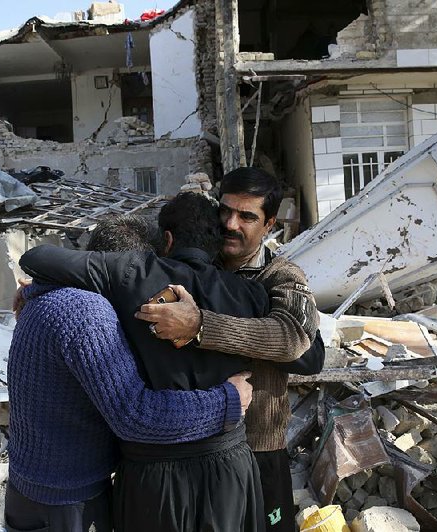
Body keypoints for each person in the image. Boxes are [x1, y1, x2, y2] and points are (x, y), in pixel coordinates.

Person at [19, 193, 273, 532]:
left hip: (152, 476)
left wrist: (37, 288)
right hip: (231, 467)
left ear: (166, 240)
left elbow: (36, 257)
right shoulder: (252, 294)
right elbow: (308, 354)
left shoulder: (131, 277)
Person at [135, 167, 321, 532]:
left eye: (247, 217)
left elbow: (293, 336)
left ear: (269, 225)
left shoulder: (281, 276)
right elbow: (127, 258)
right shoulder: (194, 263)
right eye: (225, 211)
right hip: (194, 444)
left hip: (259, 448)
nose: (231, 224)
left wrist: (201, 325)